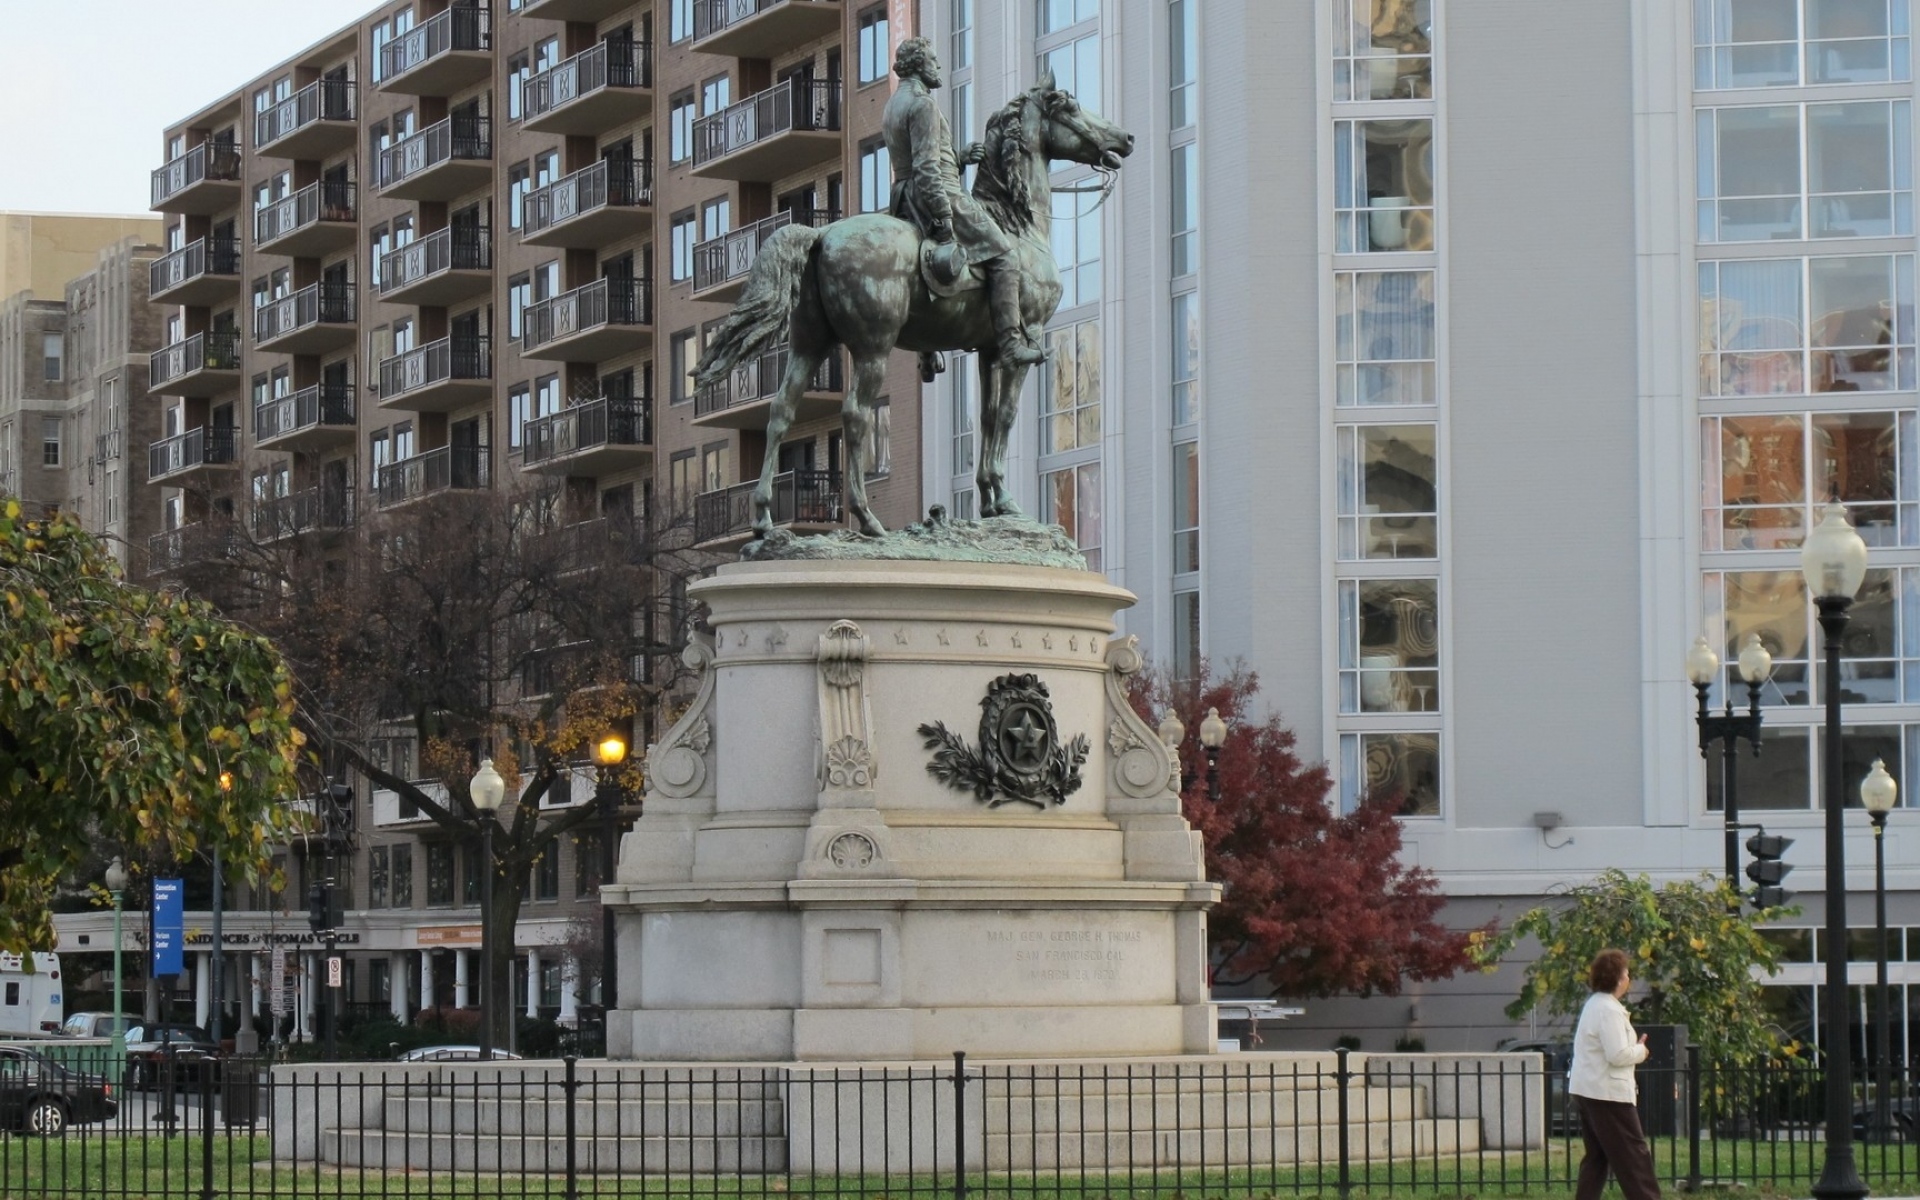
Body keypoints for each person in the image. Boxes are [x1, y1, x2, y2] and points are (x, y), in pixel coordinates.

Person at [881, 36, 1047, 371]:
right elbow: (927, 169)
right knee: (1005, 256)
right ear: (917, 65)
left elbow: (915, 161)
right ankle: (1011, 344)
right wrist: (943, 214)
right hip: (937, 193)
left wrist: (958, 158)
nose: (938, 65)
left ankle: (926, 350)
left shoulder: (893, 104)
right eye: (932, 59)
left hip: (902, 196)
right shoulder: (923, 104)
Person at [1569, 948, 1660, 1200]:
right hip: (1608, 1093)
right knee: (1634, 1156)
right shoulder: (1609, 1010)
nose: (1629, 978)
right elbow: (1617, 1055)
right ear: (1619, 979)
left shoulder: (1593, 1005)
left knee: (1597, 1158)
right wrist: (1641, 1050)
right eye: (1627, 974)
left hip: (1588, 1089)